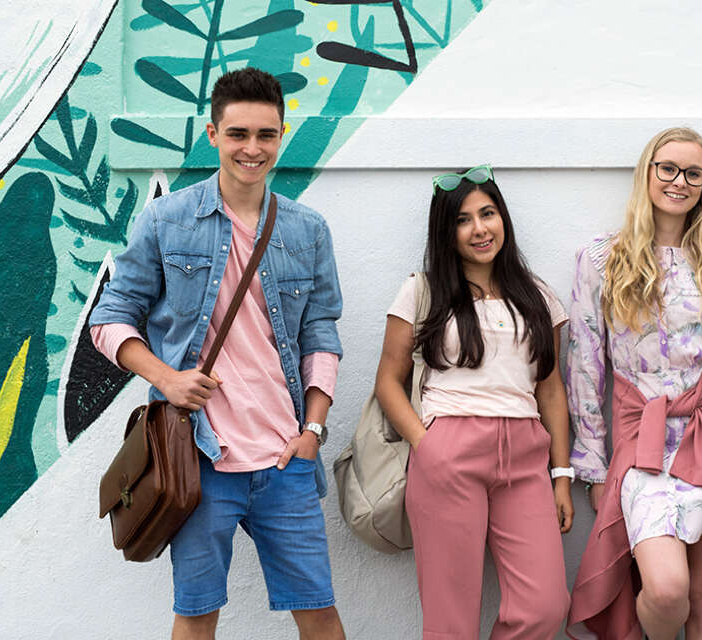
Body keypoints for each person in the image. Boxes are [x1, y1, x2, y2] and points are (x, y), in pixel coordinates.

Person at [88, 67, 346, 640]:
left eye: (265, 134)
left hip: (285, 459)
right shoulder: (166, 219)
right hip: (199, 460)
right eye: (238, 134)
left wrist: (314, 430)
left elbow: (321, 335)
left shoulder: (307, 230)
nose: (252, 149)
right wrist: (167, 379)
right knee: (197, 616)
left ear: (281, 135)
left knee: (321, 614)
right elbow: (108, 318)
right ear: (212, 134)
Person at [566, 127, 702, 640]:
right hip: (642, 448)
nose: (679, 181)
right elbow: (584, 366)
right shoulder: (602, 260)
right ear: (648, 172)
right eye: (668, 168)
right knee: (666, 590)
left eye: (693, 173)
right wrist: (592, 467)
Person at [373, 164, 574, 640]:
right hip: (448, 453)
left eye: (488, 213)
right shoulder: (422, 291)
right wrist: (428, 445)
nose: (480, 228)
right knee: (451, 621)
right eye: (463, 219)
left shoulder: (538, 295)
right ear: (446, 231)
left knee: (545, 607)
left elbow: (550, 389)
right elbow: (388, 382)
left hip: (525, 459)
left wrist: (561, 476)